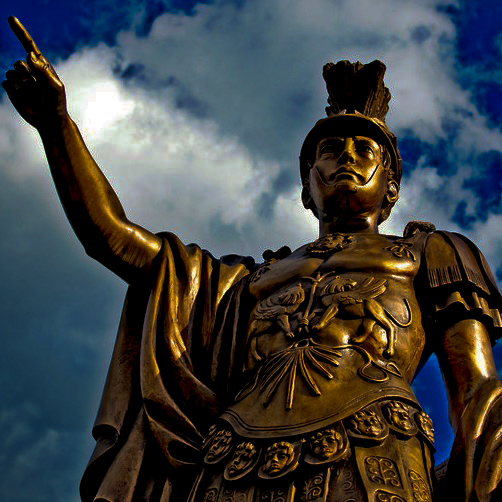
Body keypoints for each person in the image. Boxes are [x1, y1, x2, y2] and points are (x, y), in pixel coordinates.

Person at [4, 16, 502, 502]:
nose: (347, 156)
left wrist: (476, 479)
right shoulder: (243, 281)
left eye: (365, 149)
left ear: (391, 186)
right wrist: (56, 125)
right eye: (330, 149)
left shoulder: (430, 253)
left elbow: (476, 391)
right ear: (306, 188)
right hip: (234, 460)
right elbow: (113, 239)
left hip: (372, 445)